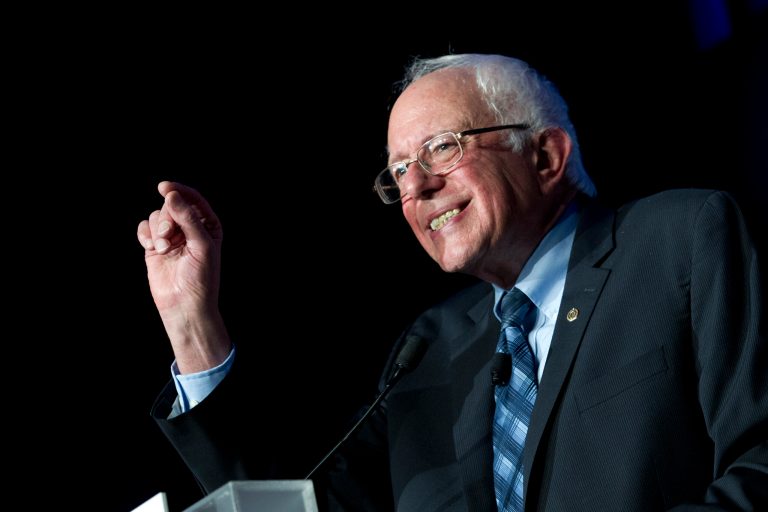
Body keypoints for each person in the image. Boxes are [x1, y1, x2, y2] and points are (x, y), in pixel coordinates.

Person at [137, 54, 767, 511]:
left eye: (441, 149)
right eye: (399, 171)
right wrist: (193, 324)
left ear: (546, 156)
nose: (414, 187)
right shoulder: (432, 344)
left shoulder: (681, 239)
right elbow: (298, 504)